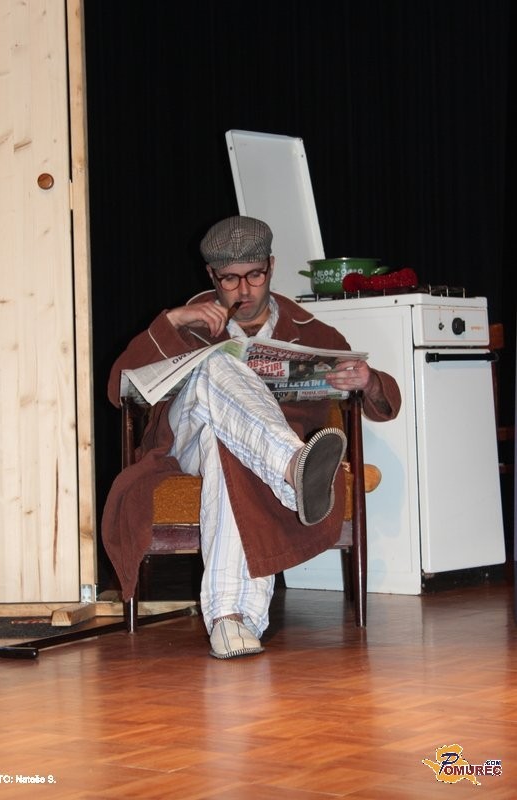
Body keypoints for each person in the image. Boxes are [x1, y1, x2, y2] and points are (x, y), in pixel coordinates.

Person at [102, 216, 401, 659]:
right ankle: (293, 468)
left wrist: (367, 380)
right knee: (217, 365)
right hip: (182, 445)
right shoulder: (185, 323)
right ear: (211, 275)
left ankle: (232, 620)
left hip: (237, 452)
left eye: (255, 275)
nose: (243, 290)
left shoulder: (311, 330)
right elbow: (118, 389)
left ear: (272, 266)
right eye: (229, 279)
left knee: (226, 448)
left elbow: (384, 404)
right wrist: (171, 321)